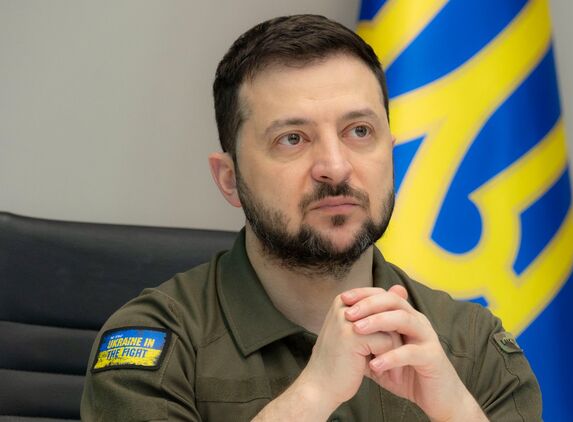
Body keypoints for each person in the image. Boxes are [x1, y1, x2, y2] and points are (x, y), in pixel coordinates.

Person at [81, 14, 542, 421]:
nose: (335, 167)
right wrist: (313, 395)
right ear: (230, 179)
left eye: (359, 131)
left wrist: (457, 412)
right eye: (293, 139)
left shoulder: (473, 346)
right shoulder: (159, 342)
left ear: (390, 154)